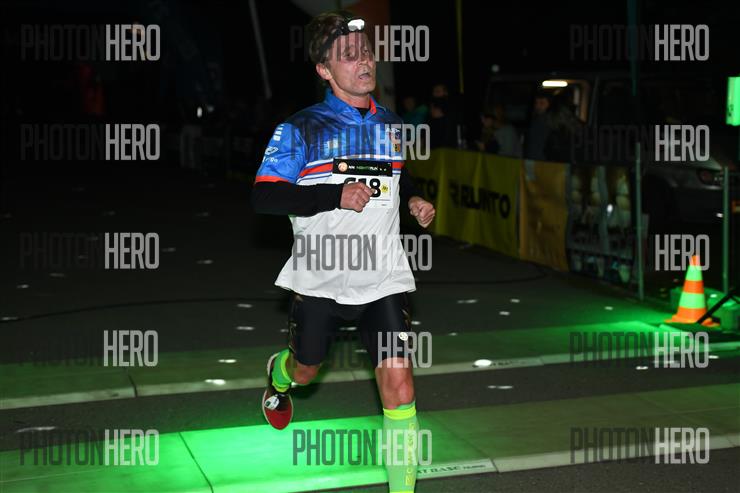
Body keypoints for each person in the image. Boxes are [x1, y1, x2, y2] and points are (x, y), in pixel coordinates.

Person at [251, 10, 435, 493]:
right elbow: (264, 196)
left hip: (383, 278)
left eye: (367, 52)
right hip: (321, 278)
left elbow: (400, 177)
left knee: (400, 386)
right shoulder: (299, 129)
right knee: (307, 370)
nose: (364, 62)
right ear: (324, 70)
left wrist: (413, 199)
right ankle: (280, 374)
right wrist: (334, 195)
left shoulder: (392, 124)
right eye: (349, 56)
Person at [524, 91, 551, 160]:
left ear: (549, 104)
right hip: (534, 159)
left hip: (543, 160)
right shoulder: (534, 119)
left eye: (542, 103)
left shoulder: (550, 121)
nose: (538, 106)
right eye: (536, 103)